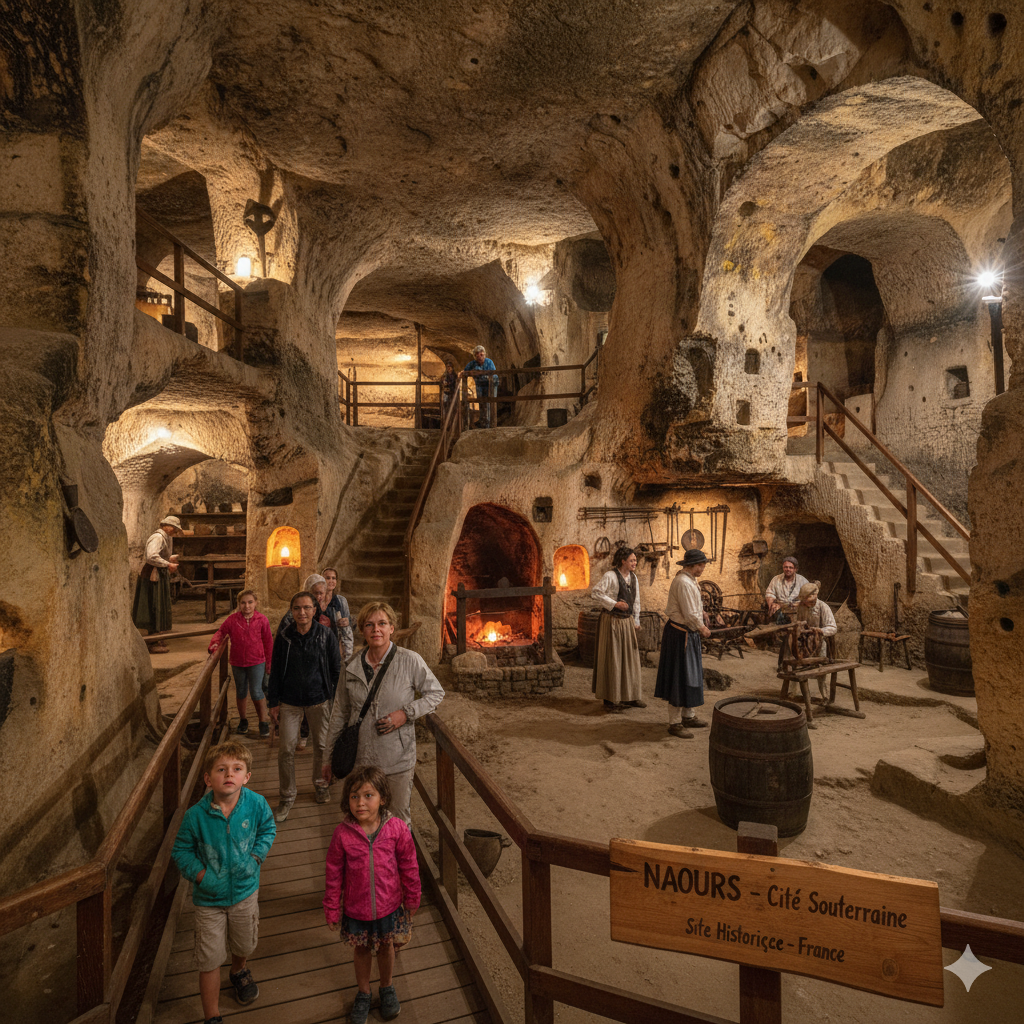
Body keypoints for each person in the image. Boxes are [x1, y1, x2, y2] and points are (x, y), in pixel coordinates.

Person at [171, 741, 276, 1024]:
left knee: (244, 944)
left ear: (247, 776)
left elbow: (268, 828)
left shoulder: (256, 804)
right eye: (221, 769)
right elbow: (181, 850)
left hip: (244, 892)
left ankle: (239, 971)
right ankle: (212, 1016)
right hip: (209, 900)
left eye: (237, 769)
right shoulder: (196, 816)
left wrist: (255, 858)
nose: (229, 774)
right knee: (208, 959)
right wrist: (201, 875)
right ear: (208, 779)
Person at [322, 601, 445, 825]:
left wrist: (406, 714)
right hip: (361, 760)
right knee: (364, 819)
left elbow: (435, 693)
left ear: (392, 628)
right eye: (369, 624)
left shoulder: (409, 660)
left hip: (396, 759)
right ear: (362, 630)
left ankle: (400, 861)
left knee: (397, 820)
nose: (375, 629)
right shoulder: (351, 666)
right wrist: (327, 758)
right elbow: (339, 713)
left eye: (382, 623)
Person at [323, 765, 420, 1024]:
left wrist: (412, 897)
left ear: (383, 798)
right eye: (354, 796)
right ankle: (364, 992)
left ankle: (387, 987)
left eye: (368, 795)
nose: (360, 802)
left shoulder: (397, 829)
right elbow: (333, 873)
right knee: (362, 950)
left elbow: (409, 865)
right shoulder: (342, 835)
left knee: (387, 946)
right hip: (357, 908)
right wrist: (332, 908)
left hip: (389, 905)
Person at [267, 590, 342, 821]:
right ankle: (287, 795)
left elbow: (336, 669)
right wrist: (273, 702)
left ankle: (321, 785)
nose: (302, 612)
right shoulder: (285, 637)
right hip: (290, 701)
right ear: (291, 611)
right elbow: (276, 671)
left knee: (321, 746)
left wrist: (336, 699)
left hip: (319, 699)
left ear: (314, 610)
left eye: (307, 608)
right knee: (286, 749)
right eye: (297, 608)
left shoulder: (325, 635)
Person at [655, 549, 713, 738]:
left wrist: (702, 613)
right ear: (693, 565)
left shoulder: (691, 581)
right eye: (701, 565)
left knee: (691, 676)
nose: (703, 568)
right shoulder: (682, 583)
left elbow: (694, 606)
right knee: (678, 678)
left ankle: (689, 715)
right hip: (680, 636)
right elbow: (689, 614)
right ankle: (675, 723)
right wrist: (701, 627)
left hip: (689, 634)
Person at [208, 590, 274, 738]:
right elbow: (221, 632)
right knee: (241, 691)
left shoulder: (262, 620)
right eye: (243, 602)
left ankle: (263, 721)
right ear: (239, 604)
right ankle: (243, 720)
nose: (247, 606)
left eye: (250, 602)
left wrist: (269, 664)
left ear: (256, 603)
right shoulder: (232, 620)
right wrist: (214, 644)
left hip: (257, 661)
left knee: (256, 691)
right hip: (238, 662)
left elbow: (268, 642)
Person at [590, 546, 645, 713]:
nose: (635, 563)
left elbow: (636, 601)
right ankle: (610, 699)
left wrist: (636, 620)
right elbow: (596, 593)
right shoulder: (610, 576)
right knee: (612, 659)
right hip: (612, 622)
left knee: (629, 659)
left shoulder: (633, 578)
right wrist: (614, 604)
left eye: (635, 560)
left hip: (626, 623)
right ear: (623, 561)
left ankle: (630, 696)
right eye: (632, 560)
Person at [132, 514, 183, 651]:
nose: (174, 530)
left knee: (158, 604)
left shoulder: (166, 537)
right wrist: (167, 564)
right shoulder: (158, 537)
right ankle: (151, 641)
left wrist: (169, 558)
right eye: (173, 528)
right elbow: (151, 556)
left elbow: (158, 554)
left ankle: (156, 636)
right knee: (152, 605)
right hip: (152, 575)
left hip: (158, 574)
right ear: (166, 526)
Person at [792, 581, 837, 657]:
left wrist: (820, 630)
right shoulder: (801, 607)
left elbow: (833, 628)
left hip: (819, 641)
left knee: (819, 661)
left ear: (815, 596)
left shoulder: (823, 607)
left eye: (808, 600)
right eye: (804, 600)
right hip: (803, 641)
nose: (805, 603)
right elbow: (797, 621)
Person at [460, 344, 498, 427]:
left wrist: (484, 375)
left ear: (484, 354)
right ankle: (483, 420)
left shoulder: (489, 362)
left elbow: (494, 375)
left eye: (481, 355)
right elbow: (465, 371)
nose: (480, 357)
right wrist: (461, 373)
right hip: (480, 385)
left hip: (490, 385)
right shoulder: (473, 364)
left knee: (489, 402)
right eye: (477, 355)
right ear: (475, 357)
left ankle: (490, 423)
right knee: (481, 402)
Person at [322, 566, 355, 661]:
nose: (331, 581)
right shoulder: (317, 599)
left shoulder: (341, 600)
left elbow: (348, 624)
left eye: (333, 578)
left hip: (336, 641)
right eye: (327, 578)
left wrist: (346, 622)